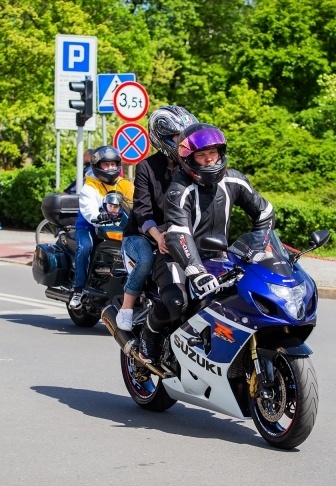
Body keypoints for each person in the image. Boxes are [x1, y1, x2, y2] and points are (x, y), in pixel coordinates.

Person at [137, 124, 275, 365]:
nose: (209, 159)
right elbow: (179, 233)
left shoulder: (235, 180)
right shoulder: (178, 190)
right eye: (201, 155)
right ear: (189, 159)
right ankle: (150, 334)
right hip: (175, 256)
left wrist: (262, 246)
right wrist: (196, 271)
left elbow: (264, 212)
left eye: (213, 152)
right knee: (176, 302)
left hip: (219, 256)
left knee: (243, 300)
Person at [115, 105, 198, 331]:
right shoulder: (147, 167)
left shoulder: (192, 168)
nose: (184, 143)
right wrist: (158, 236)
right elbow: (142, 210)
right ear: (162, 138)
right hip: (142, 233)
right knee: (145, 260)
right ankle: (127, 306)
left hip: (177, 232)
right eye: (178, 137)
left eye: (187, 137)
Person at [69, 145, 134, 310]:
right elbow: (89, 211)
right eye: (106, 165)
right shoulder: (90, 187)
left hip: (118, 228)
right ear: (97, 166)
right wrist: (99, 216)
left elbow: (137, 203)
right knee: (85, 247)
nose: (110, 168)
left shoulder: (125, 185)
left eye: (113, 164)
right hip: (89, 227)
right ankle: (78, 290)